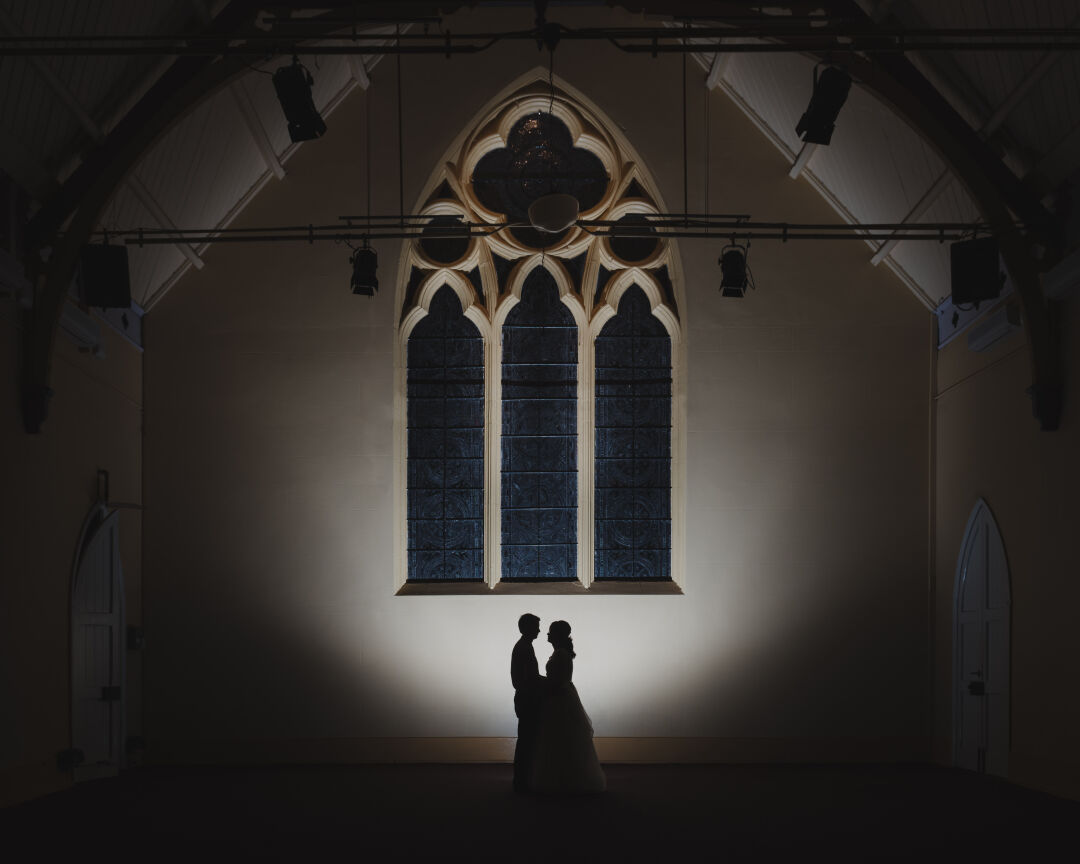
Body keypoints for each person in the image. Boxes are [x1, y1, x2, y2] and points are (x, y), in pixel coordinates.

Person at [530, 620, 606, 794]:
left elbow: (557, 681)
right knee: (563, 739)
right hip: (562, 696)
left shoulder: (561, 655)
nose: (547, 635)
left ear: (557, 635)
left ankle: (562, 780)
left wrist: (539, 682)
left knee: (560, 738)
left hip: (559, 699)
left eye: (550, 632)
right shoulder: (561, 653)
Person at [510, 612, 543, 793]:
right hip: (527, 699)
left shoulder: (523, 646)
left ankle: (522, 779)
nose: (539, 630)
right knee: (526, 740)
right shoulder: (524, 648)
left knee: (526, 739)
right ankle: (521, 781)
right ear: (528, 628)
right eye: (536, 626)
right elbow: (528, 677)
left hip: (525, 697)